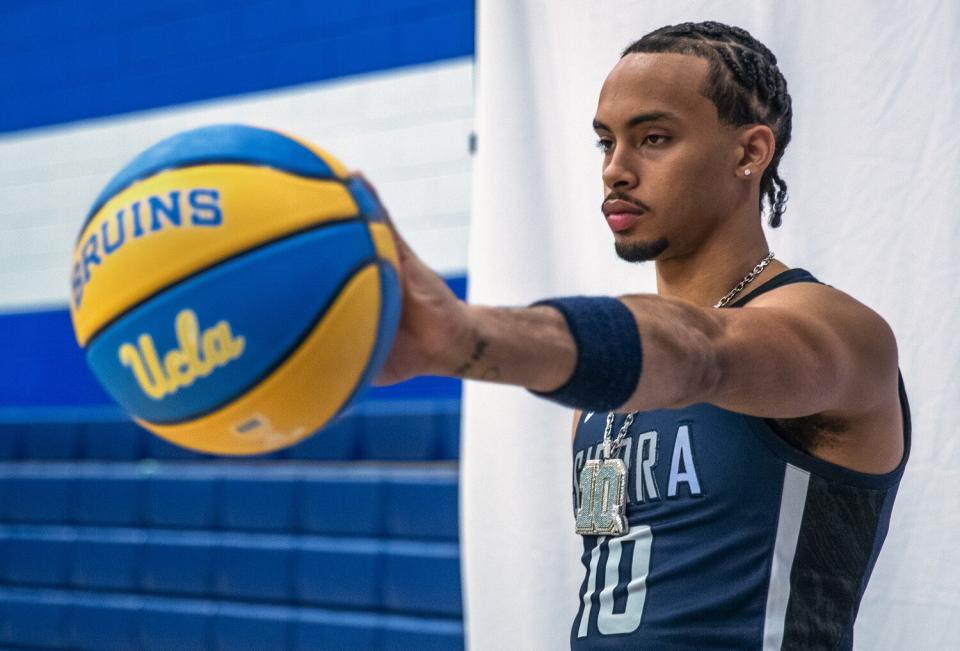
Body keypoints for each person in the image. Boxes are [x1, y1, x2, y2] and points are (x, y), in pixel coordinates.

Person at [362, 20, 910, 650]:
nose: (616, 171)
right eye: (605, 143)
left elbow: (701, 354)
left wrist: (462, 337)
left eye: (654, 138)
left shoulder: (837, 333)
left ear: (750, 152)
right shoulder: (607, 388)